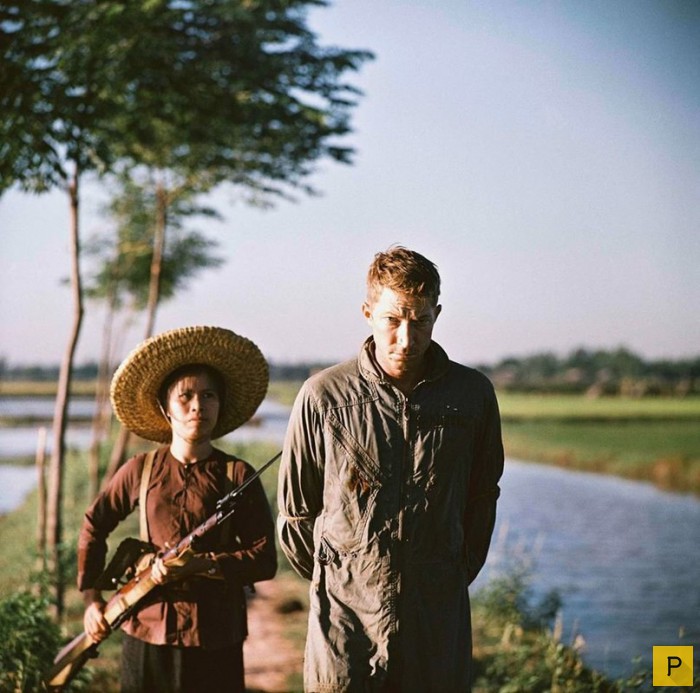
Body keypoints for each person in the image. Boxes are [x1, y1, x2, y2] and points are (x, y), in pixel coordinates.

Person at [277, 246, 504, 692]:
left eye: (420, 321)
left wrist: (447, 572)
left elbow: (483, 496)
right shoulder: (323, 396)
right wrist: (348, 572)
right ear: (367, 312)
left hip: (436, 614)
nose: (406, 336)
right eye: (392, 320)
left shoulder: (472, 395)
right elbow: (295, 516)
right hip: (345, 619)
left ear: (437, 314)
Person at [78, 325, 277, 693]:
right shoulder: (140, 469)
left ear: (220, 404)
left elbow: (264, 559)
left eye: (208, 395)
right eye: (185, 396)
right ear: (165, 408)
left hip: (216, 638)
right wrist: (92, 599)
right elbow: (95, 523)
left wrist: (207, 565)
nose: (197, 406)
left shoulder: (238, 475)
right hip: (146, 634)